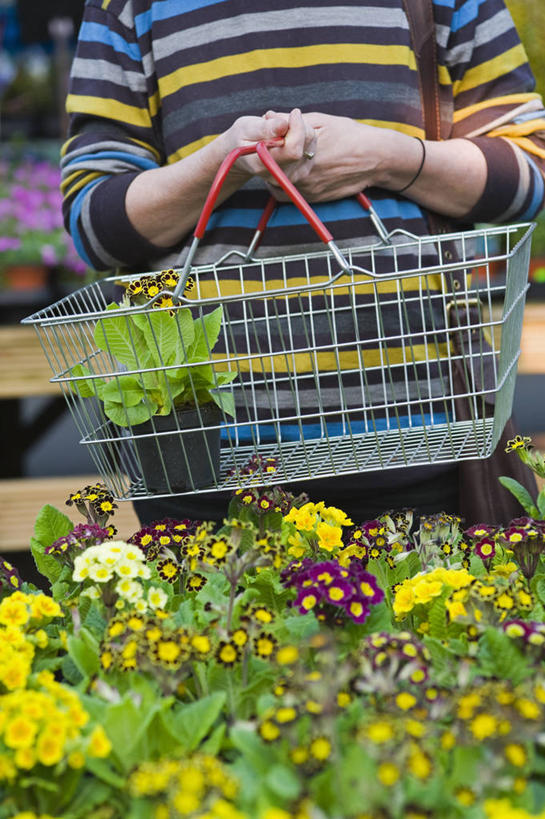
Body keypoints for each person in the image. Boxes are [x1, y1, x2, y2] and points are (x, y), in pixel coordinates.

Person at [61, 0, 545, 526]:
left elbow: (529, 169)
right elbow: (94, 222)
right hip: (203, 461)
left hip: (426, 445)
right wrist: (221, 164)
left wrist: (387, 156)